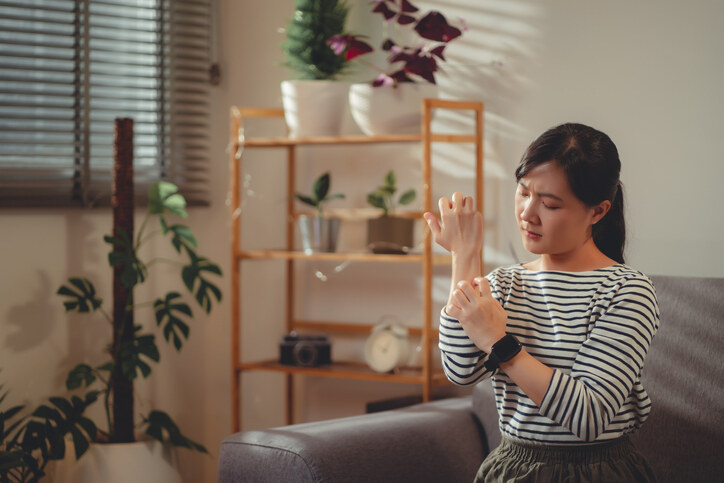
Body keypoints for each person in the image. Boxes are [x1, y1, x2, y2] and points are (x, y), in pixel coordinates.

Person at [423, 123, 659, 482]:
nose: (527, 213)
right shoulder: (505, 283)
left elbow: (588, 417)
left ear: (598, 211)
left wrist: (500, 344)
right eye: (523, 192)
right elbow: (460, 370)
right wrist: (464, 256)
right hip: (512, 467)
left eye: (549, 203)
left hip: (598, 471)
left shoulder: (626, 291)